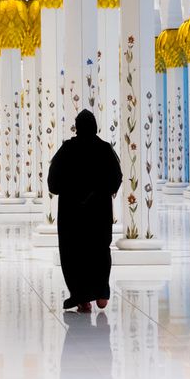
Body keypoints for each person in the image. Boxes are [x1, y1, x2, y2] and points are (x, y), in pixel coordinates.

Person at [46, 109, 122, 312]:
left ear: (77, 128)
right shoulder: (105, 149)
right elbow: (117, 177)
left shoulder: (67, 150)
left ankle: (82, 298)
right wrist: (104, 191)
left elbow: (52, 183)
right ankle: (101, 293)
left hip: (73, 214)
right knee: (99, 249)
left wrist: (71, 189)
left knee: (74, 253)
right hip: (99, 212)